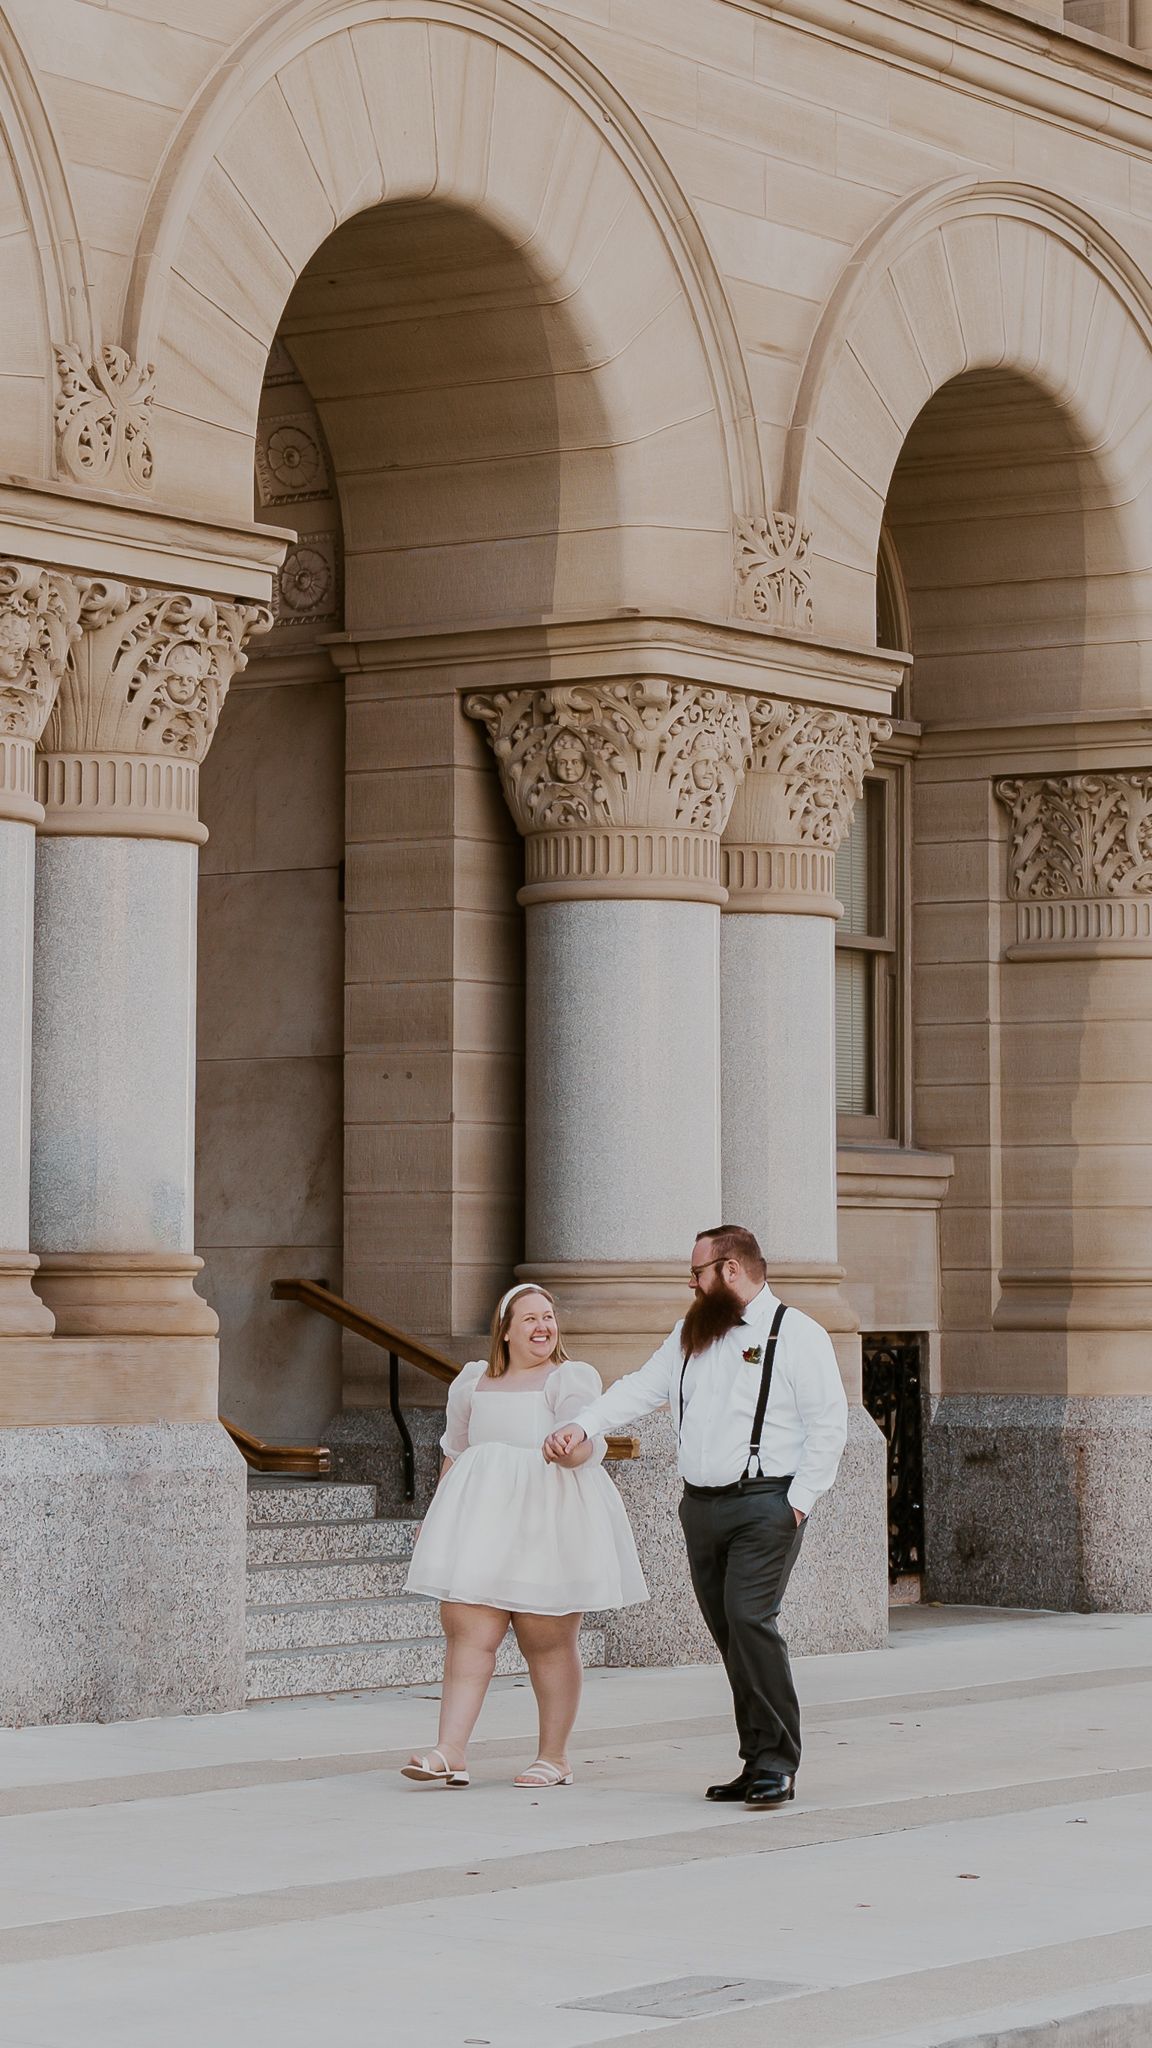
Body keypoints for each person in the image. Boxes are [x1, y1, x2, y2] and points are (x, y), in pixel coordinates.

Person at [544, 1224, 847, 1811]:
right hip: (700, 1506)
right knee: (729, 1632)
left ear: (730, 1270)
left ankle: (778, 1763)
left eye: (697, 1272)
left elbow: (829, 1425)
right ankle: (755, 1760)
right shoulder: (692, 1332)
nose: (691, 1283)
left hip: (766, 1503)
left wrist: (798, 1503)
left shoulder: (796, 1333)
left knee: (750, 1619)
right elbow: (641, 1387)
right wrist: (583, 1424)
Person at [401, 1281, 648, 1790]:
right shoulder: (472, 1382)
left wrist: (569, 1447)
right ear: (506, 1331)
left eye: (548, 1317)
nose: (543, 1326)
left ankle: (554, 1757)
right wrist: (437, 1515)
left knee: (547, 1641)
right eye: (530, 1318)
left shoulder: (569, 1379)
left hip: (547, 1522)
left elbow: (586, 1444)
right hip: (481, 1522)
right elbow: (456, 1452)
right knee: (468, 1632)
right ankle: (450, 1751)